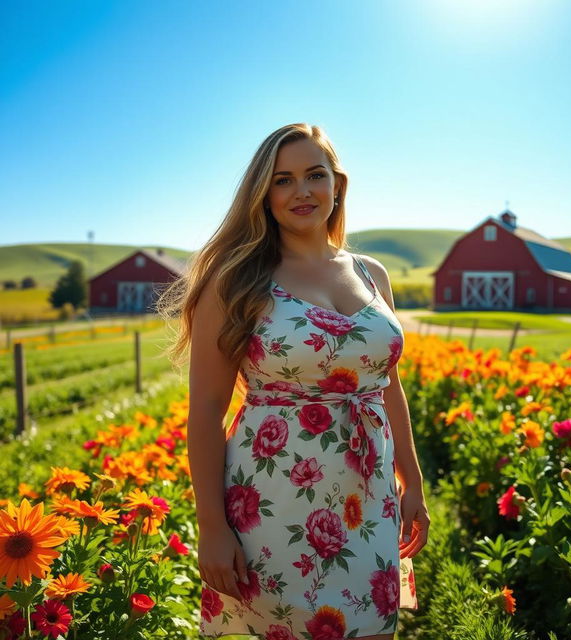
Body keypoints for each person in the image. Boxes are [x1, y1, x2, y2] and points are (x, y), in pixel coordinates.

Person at [159, 123, 430, 639]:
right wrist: (212, 528)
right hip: (274, 496)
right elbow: (206, 408)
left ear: (337, 185)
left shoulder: (372, 273)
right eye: (283, 180)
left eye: (314, 175)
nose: (301, 191)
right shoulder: (237, 279)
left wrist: (411, 481)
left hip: (369, 493)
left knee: (371, 626)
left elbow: (387, 385)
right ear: (263, 194)